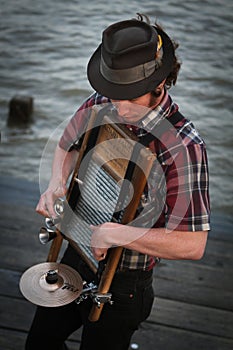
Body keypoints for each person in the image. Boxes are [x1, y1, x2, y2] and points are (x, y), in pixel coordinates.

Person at [25, 14, 210, 350]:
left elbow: (193, 244)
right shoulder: (104, 103)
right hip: (76, 255)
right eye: (114, 94)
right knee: (39, 343)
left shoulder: (184, 146)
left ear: (161, 84)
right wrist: (55, 182)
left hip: (125, 283)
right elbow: (67, 145)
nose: (119, 106)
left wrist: (120, 233)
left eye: (130, 97)